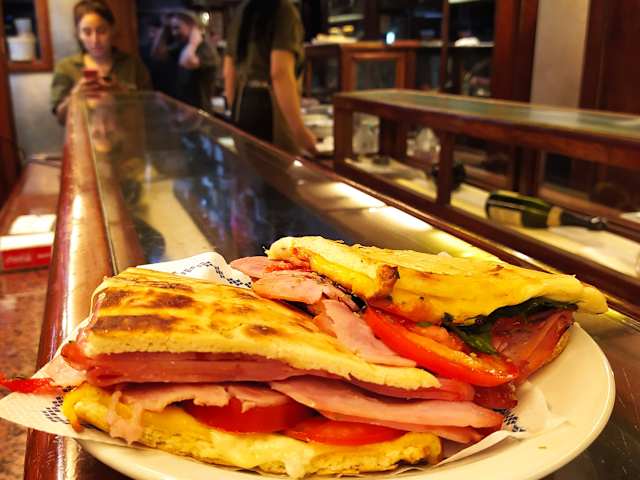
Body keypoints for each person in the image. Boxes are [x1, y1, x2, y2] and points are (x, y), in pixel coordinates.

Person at [224, 0, 317, 156]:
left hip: (242, 104)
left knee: (250, 167)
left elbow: (228, 72)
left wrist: (235, 113)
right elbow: (280, 73)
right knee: (278, 167)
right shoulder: (284, 10)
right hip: (270, 108)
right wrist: (299, 132)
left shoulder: (242, 11)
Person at [50, 0, 152, 124]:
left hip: (126, 135)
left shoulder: (132, 64)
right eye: (87, 32)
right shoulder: (66, 67)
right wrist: (75, 96)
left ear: (112, 30)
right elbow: (61, 119)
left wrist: (122, 94)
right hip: (84, 135)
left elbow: (150, 110)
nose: (95, 40)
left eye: (102, 31)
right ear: (78, 34)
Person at [151, 10, 219, 113]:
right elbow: (157, 53)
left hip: (200, 112)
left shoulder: (205, 49)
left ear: (191, 26)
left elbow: (186, 61)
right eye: (171, 29)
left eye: (177, 28)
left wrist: (194, 40)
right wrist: (164, 28)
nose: (174, 33)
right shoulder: (182, 46)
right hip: (183, 111)